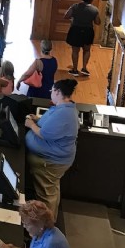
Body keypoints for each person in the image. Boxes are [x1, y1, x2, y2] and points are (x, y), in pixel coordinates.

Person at [25, 79, 79, 219]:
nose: (51, 94)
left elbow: (44, 134)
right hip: (55, 159)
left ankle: (46, 225)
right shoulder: (64, 108)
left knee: (46, 194)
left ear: (58, 92)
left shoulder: (63, 113)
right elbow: (51, 125)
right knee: (51, 190)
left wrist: (31, 124)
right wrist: (38, 120)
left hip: (51, 162)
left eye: (52, 91)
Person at [64, 0, 101, 76]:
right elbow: (97, 22)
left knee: (75, 51)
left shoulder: (75, 6)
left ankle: (74, 69)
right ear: (92, 0)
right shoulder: (94, 10)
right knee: (87, 50)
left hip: (75, 30)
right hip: (88, 31)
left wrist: (73, 18)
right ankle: (84, 68)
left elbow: (66, 16)